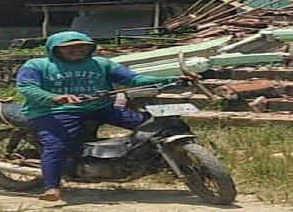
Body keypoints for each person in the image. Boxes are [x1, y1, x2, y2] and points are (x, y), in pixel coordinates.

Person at [16, 31, 184, 202]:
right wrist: (52, 97)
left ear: (91, 47)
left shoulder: (102, 64)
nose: (77, 50)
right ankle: (52, 187)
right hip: (55, 111)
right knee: (56, 145)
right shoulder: (36, 65)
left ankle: (173, 164)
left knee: (156, 126)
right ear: (54, 49)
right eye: (69, 48)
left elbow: (134, 79)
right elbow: (27, 87)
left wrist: (172, 79)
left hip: (99, 107)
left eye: (82, 46)